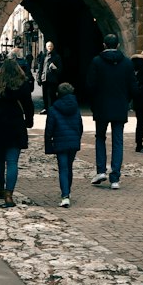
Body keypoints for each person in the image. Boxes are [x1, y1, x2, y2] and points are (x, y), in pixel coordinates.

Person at [86, 32, 135, 189]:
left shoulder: (97, 62)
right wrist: (125, 100)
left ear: (104, 45)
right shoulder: (127, 63)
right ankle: (115, 177)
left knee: (100, 137)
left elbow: (90, 86)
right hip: (120, 106)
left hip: (101, 106)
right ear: (118, 45)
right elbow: (133, 87)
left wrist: (94, 102)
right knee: (118, 141)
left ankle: (101, 170)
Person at [0, 57, 33, 206]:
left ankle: (0, 186)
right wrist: (28, 121)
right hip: (16, 126)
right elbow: (28, 105)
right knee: (12, 162)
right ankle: (9, 194)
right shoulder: (22, 85)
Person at [44, 78, 83, 206]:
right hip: (73, 141)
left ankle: (65, 195)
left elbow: (49, 128)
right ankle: (68, 191)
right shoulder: (76, 108)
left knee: (63, 168)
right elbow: (80, 125)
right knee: (69, 167)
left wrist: (48, 143)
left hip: (60, 142)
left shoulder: (53, 109)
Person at [39, 41, 62, 115]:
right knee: (45, 95)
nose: (50, 48)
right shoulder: (44, 56)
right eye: (48, 46)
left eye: (51, 46)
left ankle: (52, 108)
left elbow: (60, 70)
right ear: (46, 47)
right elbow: (41, 67)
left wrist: (55, 68)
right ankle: (46, 108)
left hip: (53, 79)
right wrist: (39, 77)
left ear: (53, 47)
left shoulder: (57, 57)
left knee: (52, 95)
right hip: (45, 78)